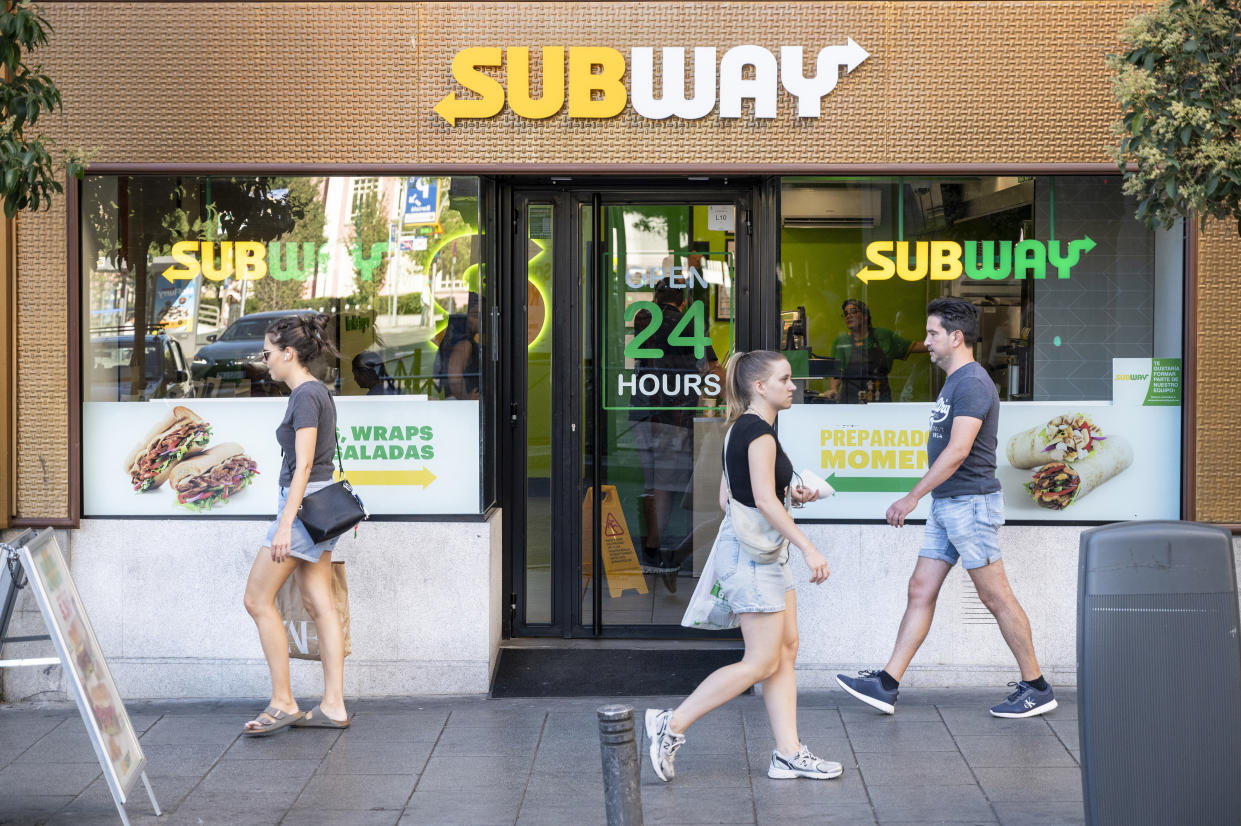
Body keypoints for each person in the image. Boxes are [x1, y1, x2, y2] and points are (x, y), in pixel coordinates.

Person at [836, 298, 1056, 718]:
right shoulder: (956, 380)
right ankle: (886, 684)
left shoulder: (971, 382)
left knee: (996, 597)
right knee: (920, 589)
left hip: (969, 504)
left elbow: (958, 451)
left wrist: (912, 496)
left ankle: (1037, 686)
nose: (926, 342)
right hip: (949, 503)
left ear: (956, 337)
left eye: (933, 334)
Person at [645, 350, 839, 783]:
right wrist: (809, 547)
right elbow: (764, 500)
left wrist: (793, 493)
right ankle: (670, 725)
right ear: (759, 386)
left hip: (759, 554)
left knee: (786, 651)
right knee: (761, 662)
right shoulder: (760, 434)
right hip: (755, 558)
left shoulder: (743, 429)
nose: (793, 386)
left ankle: (788, 753)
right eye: (785, 379)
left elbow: (728, 498)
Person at [241, 314, 351, 736]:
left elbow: (304, 463)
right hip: (321, 507)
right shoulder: (316, 392)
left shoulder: (305, 396)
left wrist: (285, 524)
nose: (264, 361)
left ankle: (283, 701)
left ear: (288, 354)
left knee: (256, 598)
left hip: (304, 508)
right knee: (317, 599)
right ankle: (334, 705)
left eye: (267, 353)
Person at [631, 279, 698, 582]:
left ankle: (647, 547)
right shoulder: (688, 322)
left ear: (656, 298)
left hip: (640, 410)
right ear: (683, 302)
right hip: (671, 413)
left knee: (649, 482)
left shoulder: (643, 319)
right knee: (663, 484)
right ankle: (653, 551)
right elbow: (708, 369)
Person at [826, 299, 928, 403]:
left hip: (880, 401)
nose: (848, 316)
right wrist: (834, 389)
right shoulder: (842, 342)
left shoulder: (883, 336)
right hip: (850, 403)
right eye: (846, 313)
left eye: (853, 311)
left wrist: (940, 343)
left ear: (865, 315)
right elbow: (837, 372)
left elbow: (914, 346)